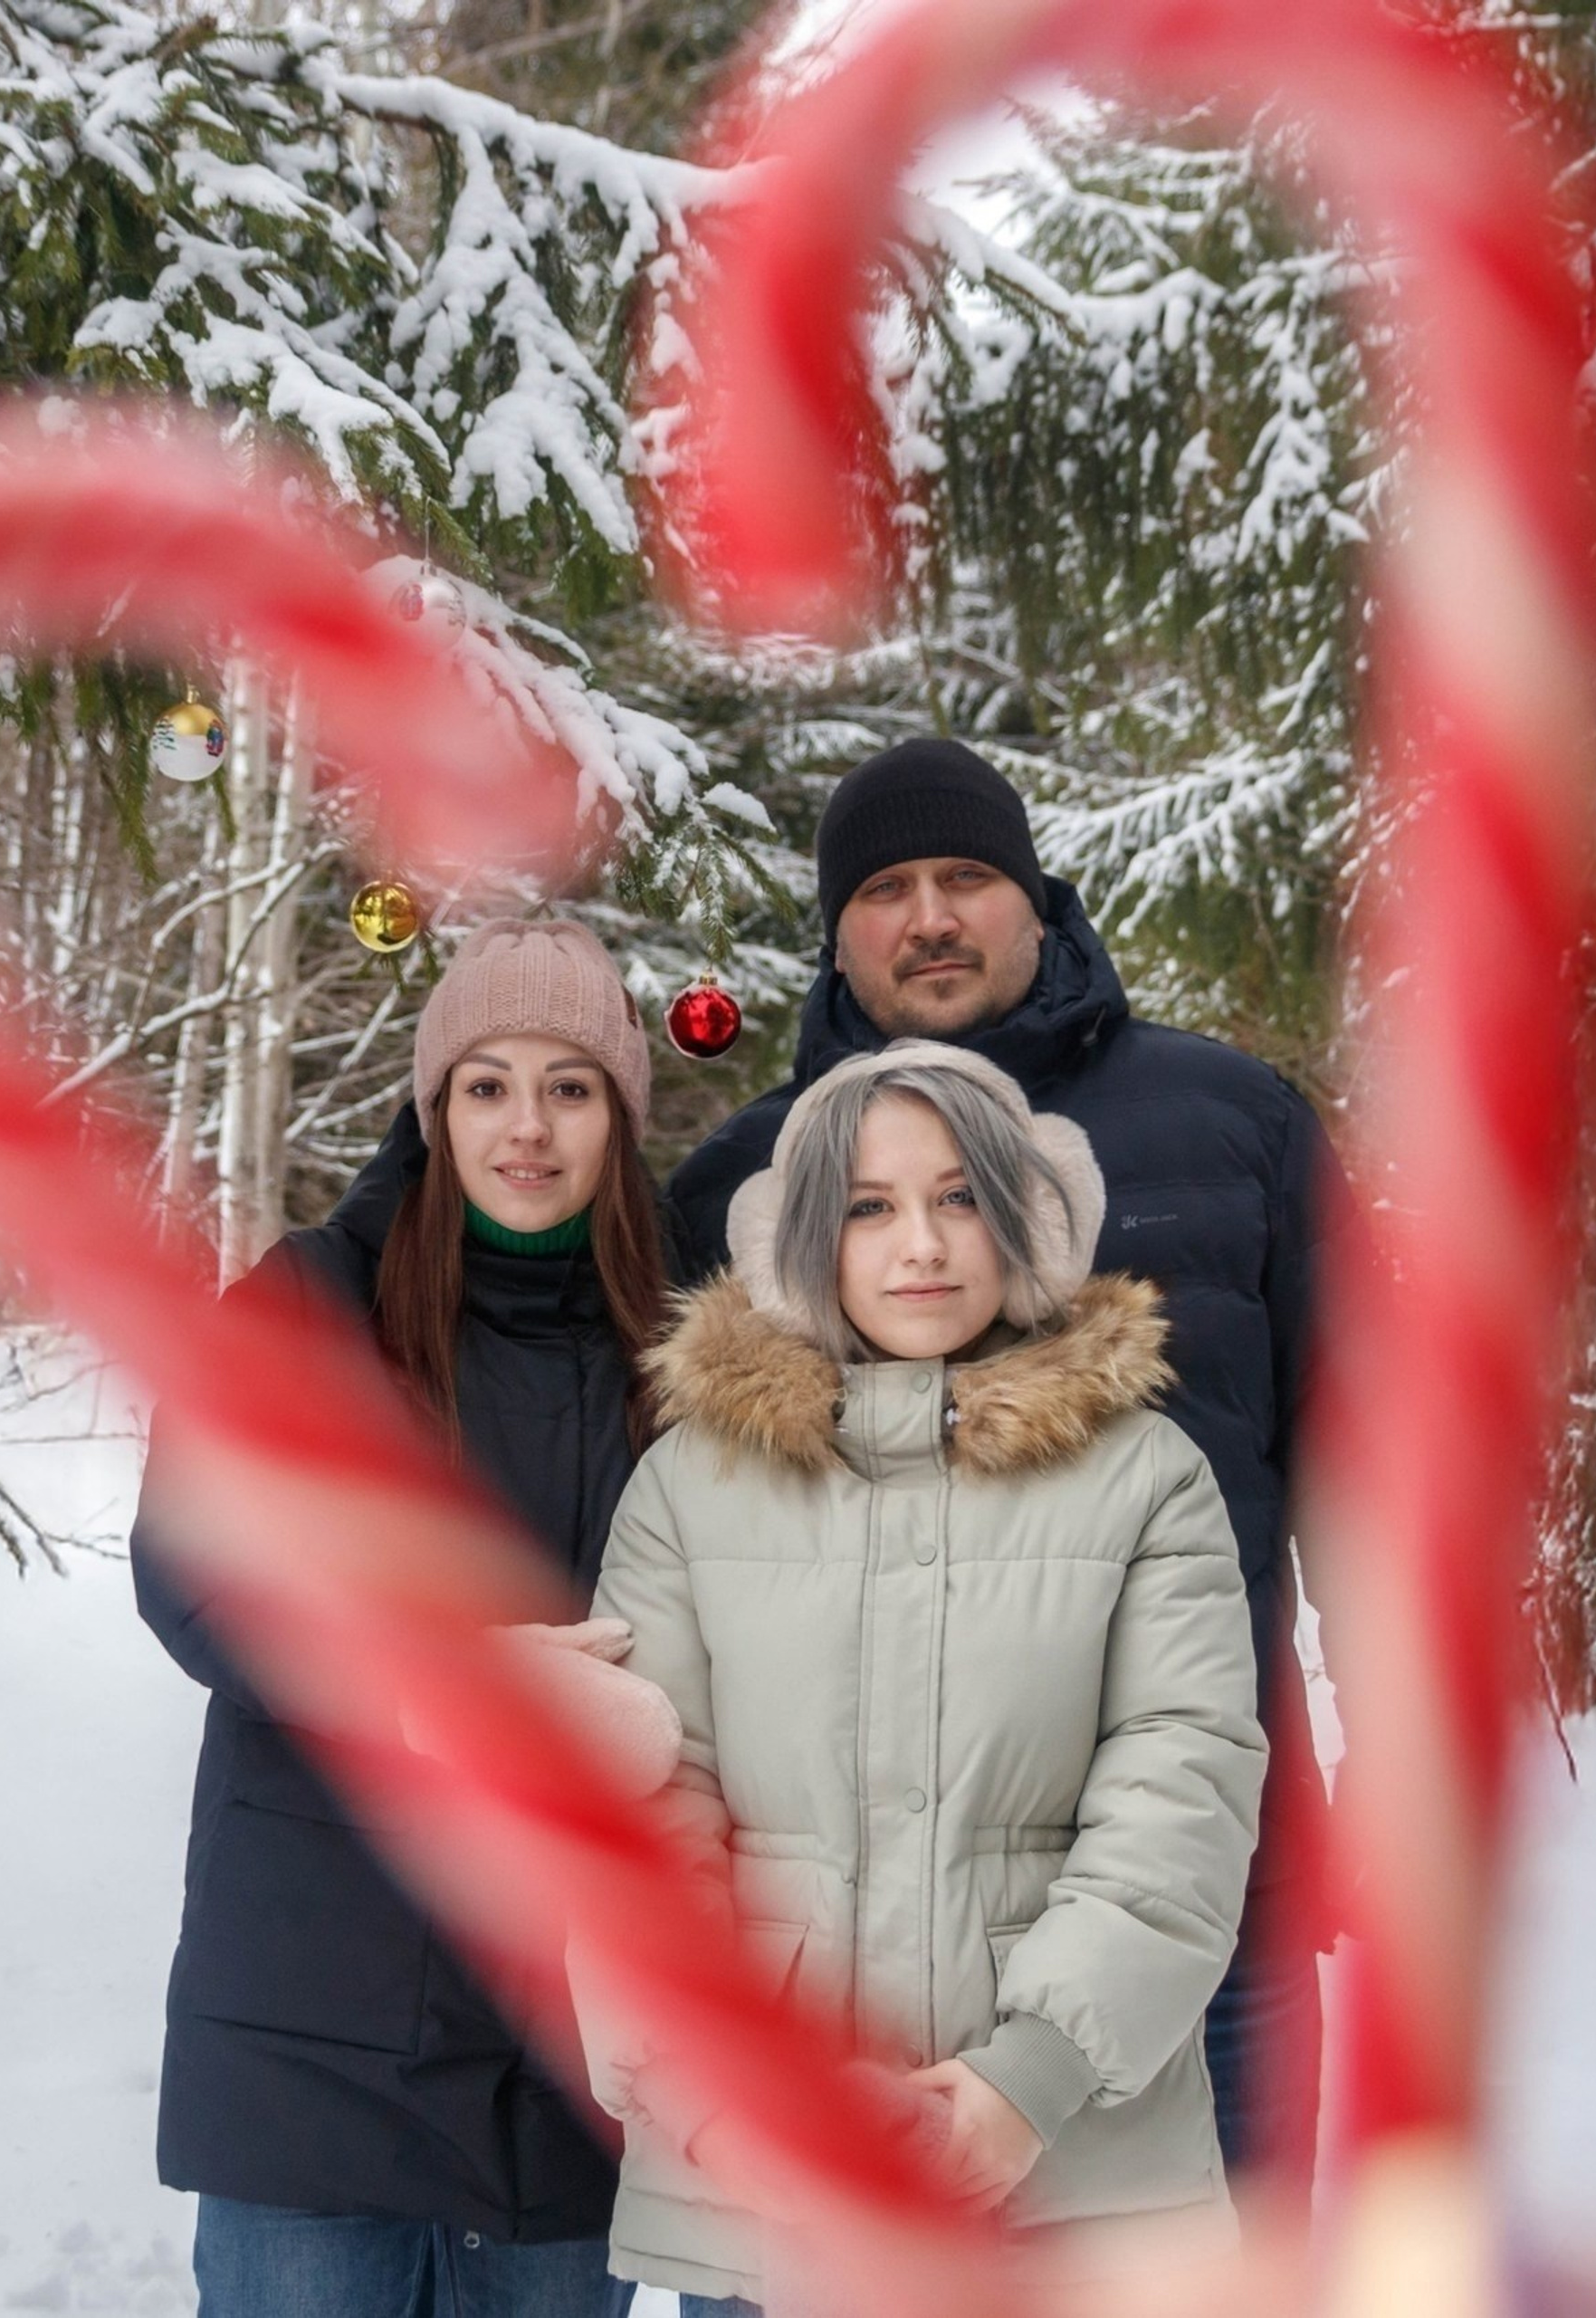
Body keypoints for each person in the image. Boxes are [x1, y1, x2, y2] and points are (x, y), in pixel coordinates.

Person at [666, 738, 1336, 2196]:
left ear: (1034, 898)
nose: (930, 917)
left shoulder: (1237, 1127)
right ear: (836, 932)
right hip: (845, 1952)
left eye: (966, 876)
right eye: (885, 889)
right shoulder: (742, 1189)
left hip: (1207, 1911)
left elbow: (1372, 1478)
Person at [581, 1045, 1266, 2313]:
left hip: (1068, 2172)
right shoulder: (689, 1482)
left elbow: (1182, 1792)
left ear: (1023, 1218)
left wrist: (1029, 2081)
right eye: (869, 1206)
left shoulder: (1146, 1476)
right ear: (804, 1238)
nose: (923, 1245)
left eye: (960, 1197)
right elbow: (642, 1807)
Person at [132, 917, 667, 2318]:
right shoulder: (312, 1302)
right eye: (487, 1085)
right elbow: (193, 1567)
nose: (526, 1127)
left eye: (570, 1086)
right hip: (316, 2031)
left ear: (620, 1117)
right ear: (435, 1108)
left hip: (570, 2062)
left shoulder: (684, 1356)